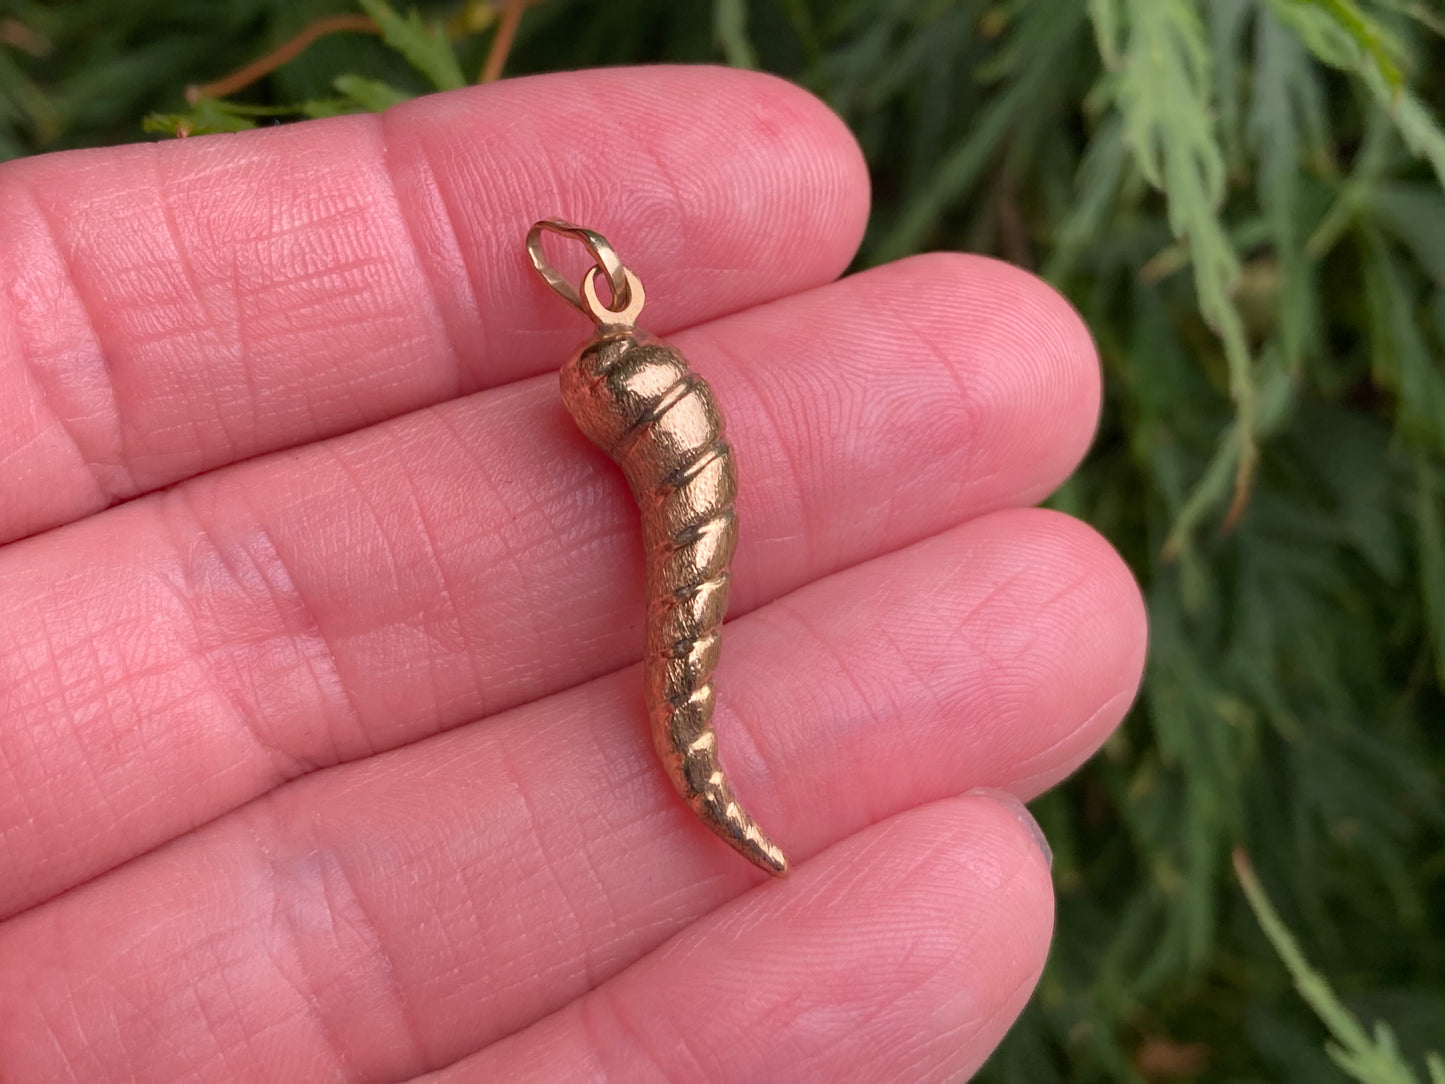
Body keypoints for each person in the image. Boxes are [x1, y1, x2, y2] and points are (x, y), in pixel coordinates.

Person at [0, 67, 1145, 1082]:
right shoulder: (624, 393)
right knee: (684, 667)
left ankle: (708, 781)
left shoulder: (627, 395)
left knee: (686, 666)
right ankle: (708, 786)